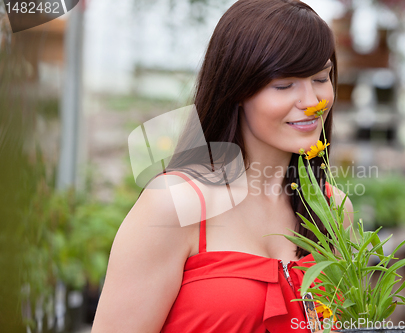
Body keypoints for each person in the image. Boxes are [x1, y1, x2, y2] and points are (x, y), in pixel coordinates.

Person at [91, 0, 353, 332]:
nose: (312, 102)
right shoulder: (174, 204)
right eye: (284, 85)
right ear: (237, 89)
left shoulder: (335, 209)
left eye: (320, 78)